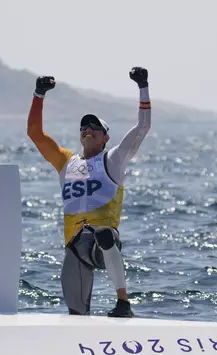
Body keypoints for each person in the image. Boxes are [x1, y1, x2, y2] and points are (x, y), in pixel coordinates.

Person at [27, 67, 152, 318]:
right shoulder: (65, 161)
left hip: (104, 243)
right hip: (75, 244)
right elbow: (35, 134)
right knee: (76, 313)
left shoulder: (114, 159)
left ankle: (123, 303)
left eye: (95, 126)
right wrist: (38, 94)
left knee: (104, 235)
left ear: (106, 137)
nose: (88, 128)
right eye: (84, 125)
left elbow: (142, 126)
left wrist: (143, 86)